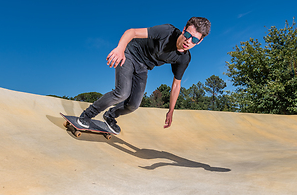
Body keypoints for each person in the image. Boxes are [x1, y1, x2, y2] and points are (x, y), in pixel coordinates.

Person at [77, 17, 211, 134]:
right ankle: (87, 115)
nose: (188, 41)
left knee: (133, 105)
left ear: (199, 42)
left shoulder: (184, 59)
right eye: (187, 34)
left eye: (194, 39)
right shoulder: (167, 31)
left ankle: (110, 116)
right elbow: (132, 32)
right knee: (122, 93)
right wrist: (120, 49)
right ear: (183, 30)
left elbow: (176, 84)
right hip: (129, 54)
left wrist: (171, 110)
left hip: (143, 68)